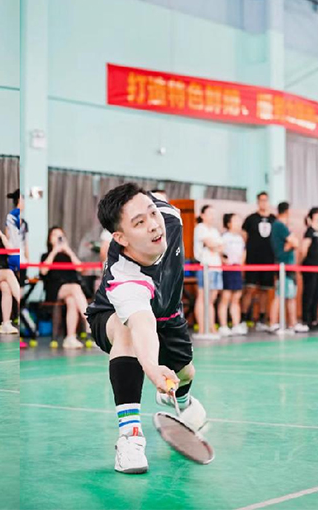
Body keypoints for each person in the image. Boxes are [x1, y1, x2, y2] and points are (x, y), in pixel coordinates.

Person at [86, 183, 206, 474]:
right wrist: (151, 367)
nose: (153, 225)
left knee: (186, 372)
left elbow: (152, 205)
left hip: (168, 313)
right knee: (127, 334)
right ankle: (130, 437)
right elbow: (142, 325)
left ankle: (178, 398)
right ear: (120, 237)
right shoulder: (124, 277)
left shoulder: (170, 218)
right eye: (139, 223)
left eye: (152, 213)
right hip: (114, 314)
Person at [40, 226, 89, 349]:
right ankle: (89, 320)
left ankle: (70, 338)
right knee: (75, 288)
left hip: (71, 287)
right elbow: (43, 271)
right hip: (55, 288)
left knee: (72, 300)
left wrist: (68, 251)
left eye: (60, 235)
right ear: (49, 239)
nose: (58, 237)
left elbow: (80, 269)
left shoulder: (68, 256)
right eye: (54, 235)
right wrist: (54, 251)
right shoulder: (46, 255)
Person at [241, 192, 277, 330]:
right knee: (249, 289)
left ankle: (262, 319)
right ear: (257, 202)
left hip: (268, 260)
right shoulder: (251, 219)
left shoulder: (274, 219)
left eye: (266, 200)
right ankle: (243, 319)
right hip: (253, 260)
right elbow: (244, 236)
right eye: (261, 200)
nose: (264, 203)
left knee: (265, 290)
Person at [269, 202, 307, 333]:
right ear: (287, 211)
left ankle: (293, 323)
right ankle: (273, 323)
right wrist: (290, 244)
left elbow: (294, 242)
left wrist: (289, 244)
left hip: (289, 265)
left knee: (291, 296)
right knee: (279, 295)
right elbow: (295, 242)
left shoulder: (282, 226)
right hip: (283, 264)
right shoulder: (279, 225)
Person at [193, 205, 222, 333]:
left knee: (211, 299)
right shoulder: (200, 228)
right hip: (205, 266)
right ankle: (201, 328)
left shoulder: (215, 231)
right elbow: (211, 245)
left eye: (213, 213)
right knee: (202, 297)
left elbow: (221, 247)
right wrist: (215, 246)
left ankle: (211, 327)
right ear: (203, 215)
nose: (212, 216)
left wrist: (215, 246)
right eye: (209, 213)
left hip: (216, 267)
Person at [217, 213, 246, 336]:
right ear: (229, 223)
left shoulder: (240, 238)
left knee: (236, 298)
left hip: (237, 269)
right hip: (227, 270)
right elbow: (218, 252)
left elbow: (244, 252)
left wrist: (240, 264)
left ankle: (236, 325)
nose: (238, 223)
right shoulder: (224, 237)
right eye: (235, 221)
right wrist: (224, 261)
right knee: (225, 298)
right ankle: (223, 326)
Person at [300, 208, 318, 331]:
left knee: (316, 294)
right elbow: (303, 249)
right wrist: (301, 262)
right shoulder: (309, 231)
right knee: (308, 293)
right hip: (309, 267)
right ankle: (306, 320)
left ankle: (314, 319)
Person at [6, 189, 29, 284]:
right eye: (23, 201)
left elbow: (7, 236)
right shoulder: (13, 217)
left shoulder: (10, 216)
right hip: (17, 256)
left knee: (14, 283)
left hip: (13, 255)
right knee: (18, 284)